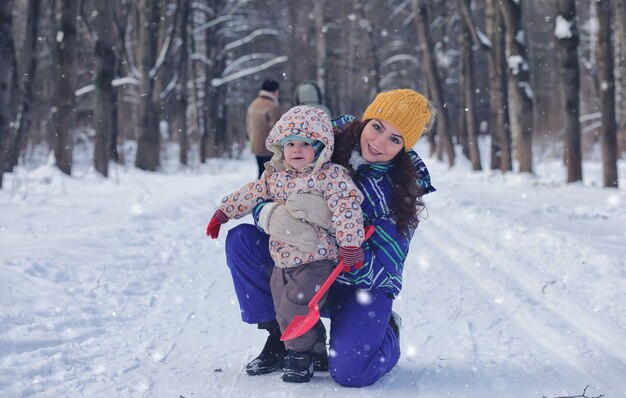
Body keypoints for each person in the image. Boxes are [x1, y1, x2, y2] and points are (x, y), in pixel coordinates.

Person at [223, 88, 436, 387]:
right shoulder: (324, 141)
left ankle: (387, 331)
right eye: (377, 127)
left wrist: (331, 237)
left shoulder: (400, 190)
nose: (378, 142)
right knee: (243, 240)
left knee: (351, 372)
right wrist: (272, 216)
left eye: (394, 139)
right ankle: (281, 335)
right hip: (304, 268)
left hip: (356, 283)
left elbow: (386, 270)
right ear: (366, 119)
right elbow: (269, 185)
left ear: (403, 148)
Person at [207, 105, 367, 383]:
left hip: (315, 257)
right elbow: (250, 192)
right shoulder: (276, 176)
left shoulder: (330, 177)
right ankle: (316, 350)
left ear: (320, 147)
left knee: (297, 305)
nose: (296, 149)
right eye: (290, 143)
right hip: (282, 257)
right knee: (282, 304)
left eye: (305, 144)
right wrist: (224, 212)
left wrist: (350, 245)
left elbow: (347, 208)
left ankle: (299, 357)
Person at [247, 79, 282, 178]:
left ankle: (260, 192)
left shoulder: (253, 104)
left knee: (261, 173)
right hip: (270, 148)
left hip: (256, 146)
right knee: (271, 175)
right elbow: (276, 129)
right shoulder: (272, 106)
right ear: (274, 92)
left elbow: (248, 127)